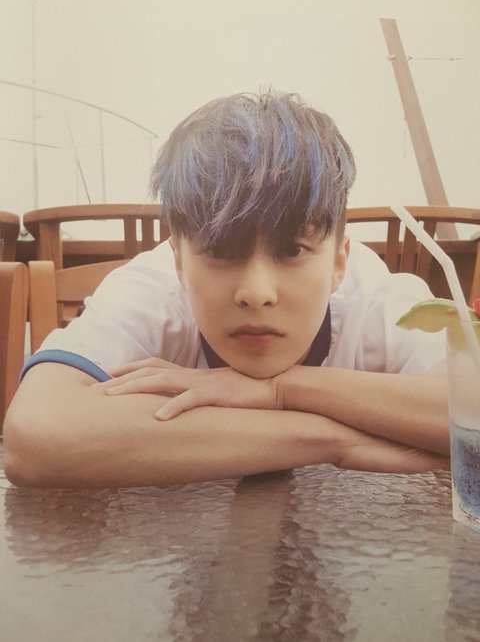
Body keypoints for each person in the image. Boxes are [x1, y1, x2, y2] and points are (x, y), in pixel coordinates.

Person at [4, 90, 449, 488]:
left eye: (292, 250)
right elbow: (36, 435)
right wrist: (336, 440)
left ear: (338, 263)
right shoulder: (151, 293)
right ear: (178, 262)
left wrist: (282, 390)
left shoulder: (374, 301)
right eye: (219, 250)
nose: (256, 293)